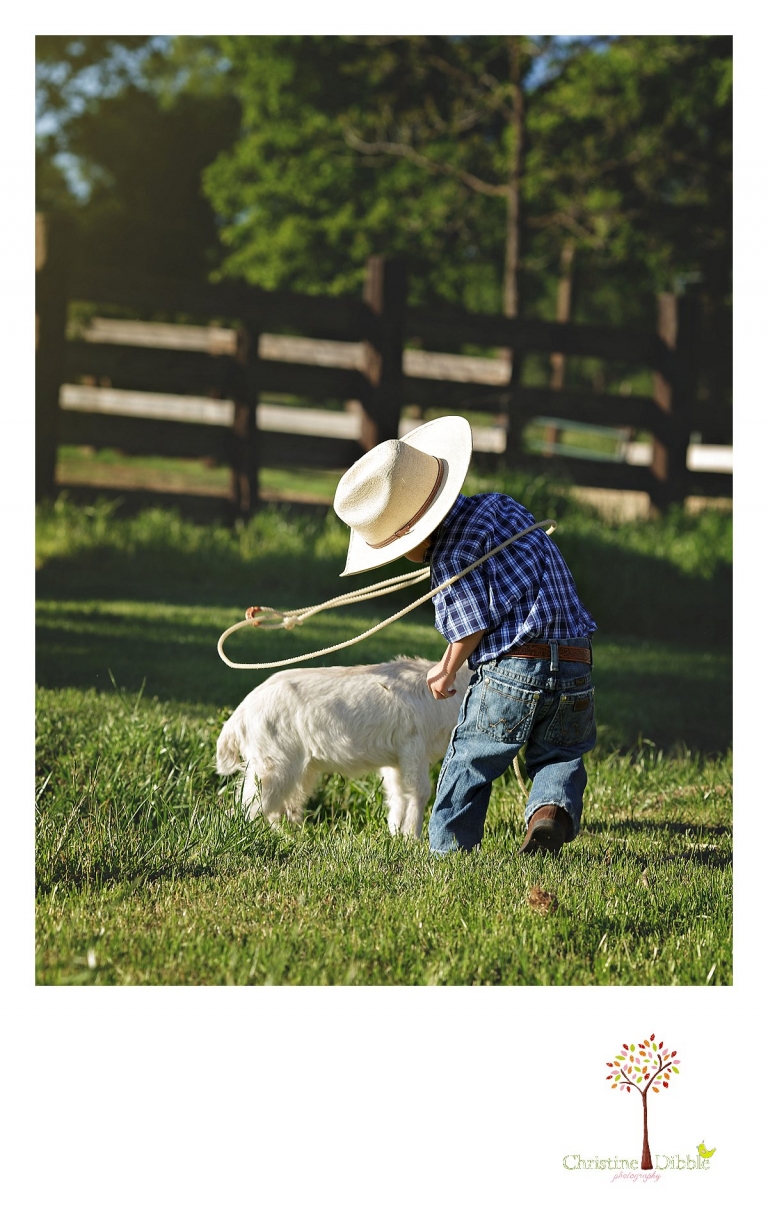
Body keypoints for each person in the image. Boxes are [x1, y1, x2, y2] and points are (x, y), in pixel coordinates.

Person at [333, 414, 597, 856]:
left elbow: (470, 625)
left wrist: (445, 668)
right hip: (576, 656)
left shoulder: (450, 557)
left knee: (471, 758)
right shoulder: (500, 505)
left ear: (414, 535)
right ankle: (550, 811)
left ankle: (451, 849)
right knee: (559, 751)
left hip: (514, 665)